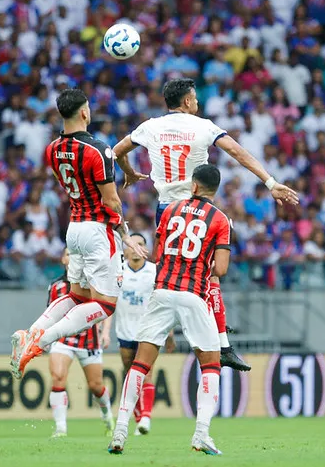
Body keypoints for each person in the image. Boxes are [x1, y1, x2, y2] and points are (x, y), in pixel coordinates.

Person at [112, 77, 299, 372]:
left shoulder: (149, 127)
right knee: (210, 275)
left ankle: (162, 336)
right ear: (187, 101)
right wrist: (270, 182)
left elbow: (116, 151)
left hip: (166, 212)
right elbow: (237, 152)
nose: (197, 102)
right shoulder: (203, 126)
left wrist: (130, 173)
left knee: (169, 279)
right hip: (197, 208)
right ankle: (219, 344)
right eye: (195, 98)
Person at [9, 88, 146, 380]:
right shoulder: (98, 149)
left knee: (78, 295)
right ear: (84, 112)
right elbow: (110, 200)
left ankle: (30, 332)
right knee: (106, 304)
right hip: (98, 230)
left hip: (74, 228)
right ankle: (40, 341)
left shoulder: (52, 150)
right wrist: (125, 232)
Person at [108, 165, 231, 456]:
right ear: (215, 189)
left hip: (162, 291)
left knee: (140, 364)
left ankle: (120, 431)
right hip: (193, 295)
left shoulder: (171, 209)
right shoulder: (221, 219)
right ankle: (201, 433)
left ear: (194, 186)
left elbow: (161, 251)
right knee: (211, 364)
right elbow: (221, 269)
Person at [100, 232, 173, 436]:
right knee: (130, 373)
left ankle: (146, 418)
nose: (136, 248)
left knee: (147, 373)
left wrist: (169, 333)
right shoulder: (118, 272)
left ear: (146, 249)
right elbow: (109, 304)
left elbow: (165, 303)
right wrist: (106, 332)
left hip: (149, 330)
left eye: (141, 244)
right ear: (125, 249)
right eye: (132, 244)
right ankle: (138, 417)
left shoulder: (154, 271)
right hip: (124, 331)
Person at [47, 248, 114, 438]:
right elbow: (50, 314)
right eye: (68, 254)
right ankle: (60, 428)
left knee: (96, 386)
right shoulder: (56, 286)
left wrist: (105, 332)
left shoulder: (94, 284)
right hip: (63, 339)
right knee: (58, 377)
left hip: (89, 339)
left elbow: (106, 307)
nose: (72, 258)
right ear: (63, 259)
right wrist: (44, 337)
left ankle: (107, 416)